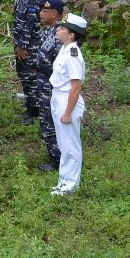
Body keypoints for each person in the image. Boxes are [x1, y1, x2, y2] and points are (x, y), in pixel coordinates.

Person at [49, 13, 89, 196]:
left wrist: (67, 112)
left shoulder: (73, 54)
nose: (58, 29)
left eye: (63, 28)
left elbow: (76, 87)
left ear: (72, 35)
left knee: (70, 146)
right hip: (59, 97)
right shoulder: (65, 49)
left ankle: (70, 186)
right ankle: (64, 182)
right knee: (63, 145)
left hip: (67, 100)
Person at [32, 0, 67, 173]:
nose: (40, 13)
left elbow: (60, 66)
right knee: (46, 121)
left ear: (54, 13)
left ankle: (59, 160)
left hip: (52, 87)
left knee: (52, 123)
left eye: (44, 11)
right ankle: (54, 156)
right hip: (44, 85)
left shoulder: (61, 35)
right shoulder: (49, 31)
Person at [12, 0, 45, 125]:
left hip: (29, 45)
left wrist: (22, 45)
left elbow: (31, 23)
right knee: (24, 76)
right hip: (21, 42)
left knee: (31, 78)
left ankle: (35, 112)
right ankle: (29, 107)